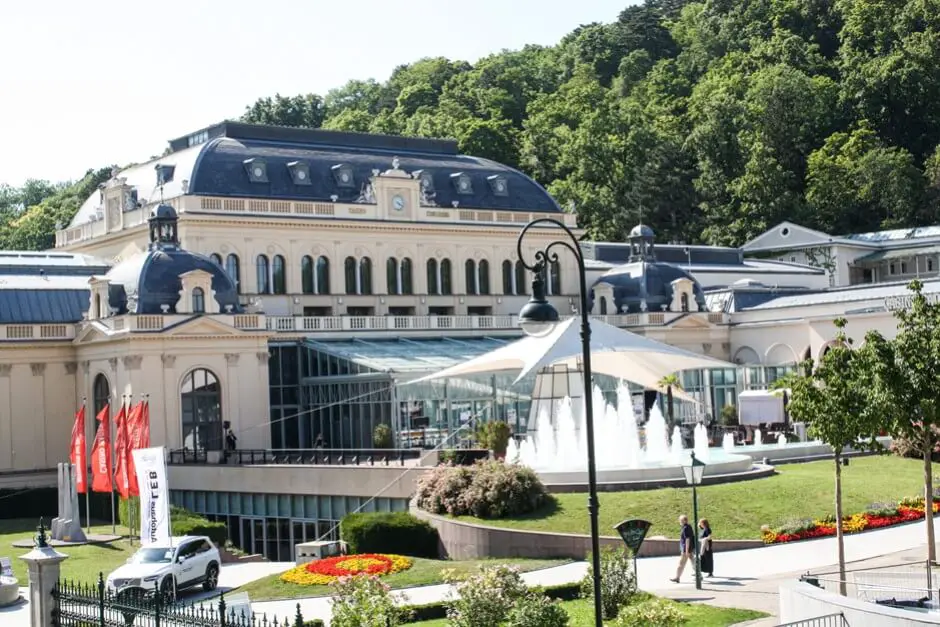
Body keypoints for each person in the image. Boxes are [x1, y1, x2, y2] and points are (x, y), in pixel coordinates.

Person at [670, 514, 694, 583]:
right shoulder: (687, 527)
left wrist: (686, 550)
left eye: (680, 520)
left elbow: (687, 539)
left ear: (683, 520)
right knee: (693, 561)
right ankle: (699, 574)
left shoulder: (686, 528)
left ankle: (677, 577)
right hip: (688, 548)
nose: (679, 521)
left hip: (686, 549)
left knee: (681, 564)